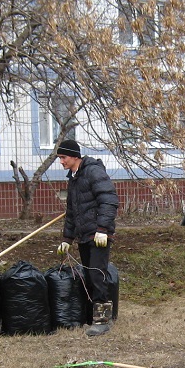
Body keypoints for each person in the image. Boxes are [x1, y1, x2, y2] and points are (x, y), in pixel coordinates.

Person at [55, 140, 119, 336]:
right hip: (84, 235)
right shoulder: (74, 178)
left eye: (63, 157)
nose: (61, 162)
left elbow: (109, 200)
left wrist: (103, 229)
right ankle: (95, 316)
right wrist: (67, 239)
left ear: (75, 156)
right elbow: (72, 212)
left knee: (96, 276)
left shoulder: (93, 172)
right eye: (59, 158)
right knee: (89, 276)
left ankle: (102, 321)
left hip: (98, 235)